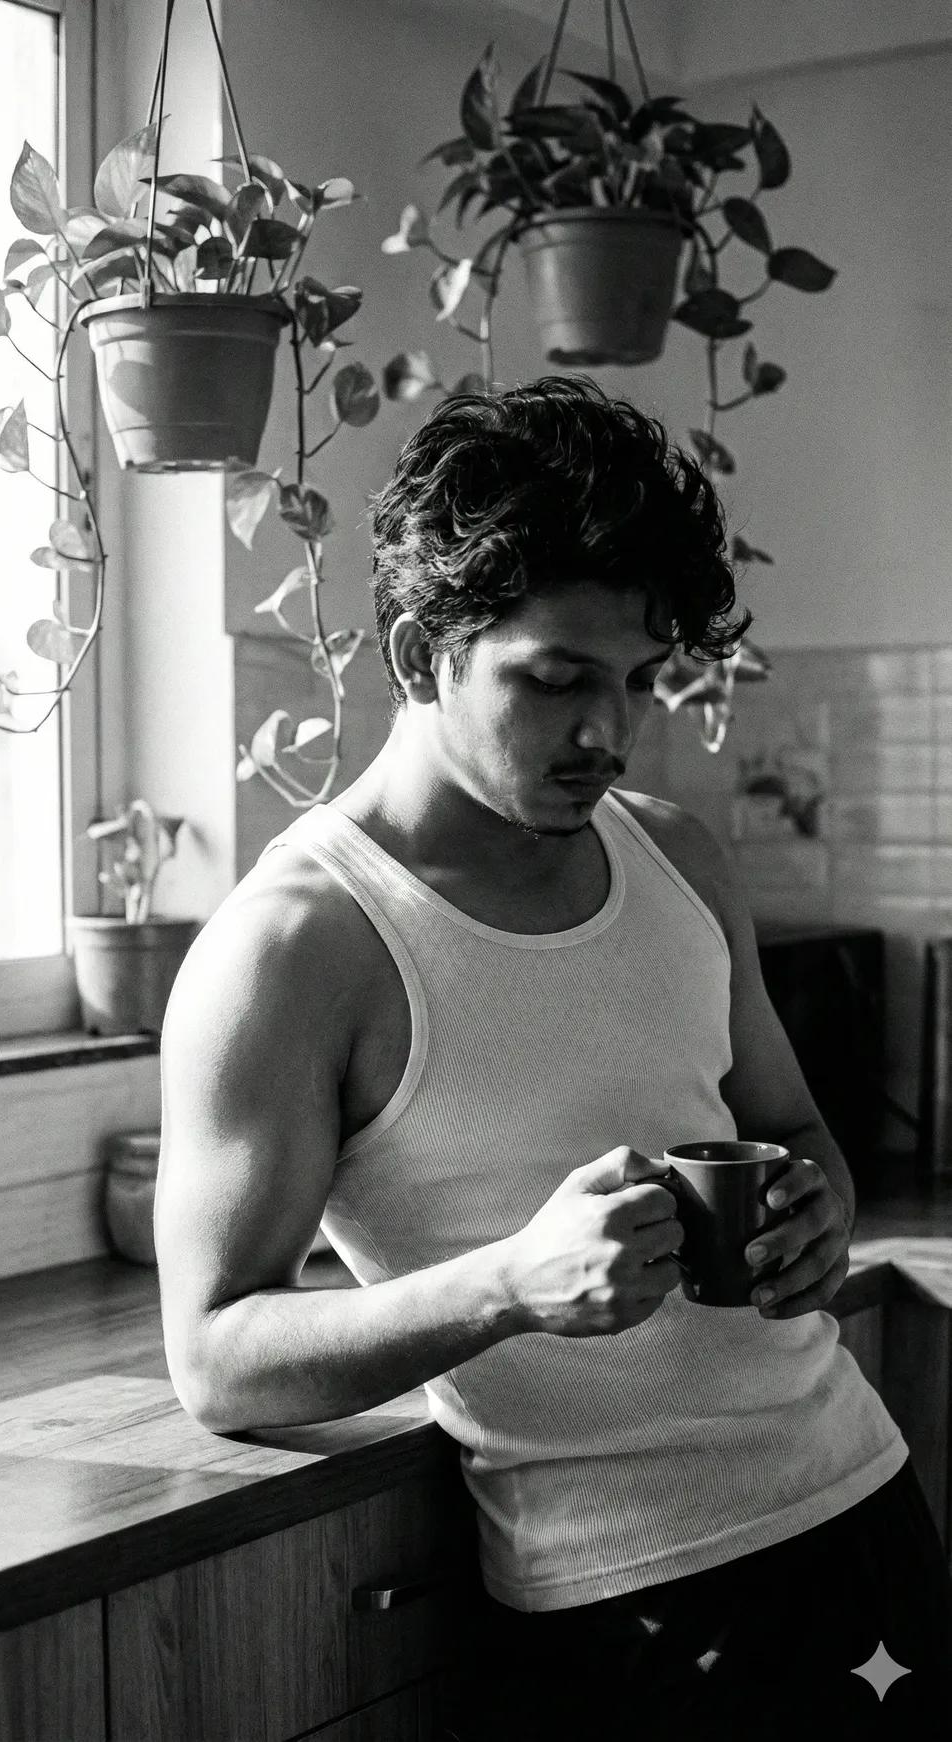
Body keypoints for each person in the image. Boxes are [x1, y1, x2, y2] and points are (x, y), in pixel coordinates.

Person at [156, 376, 952, 1739]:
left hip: (865, 1512)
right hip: (624, 1603)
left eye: (638, 681)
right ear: (420, 654)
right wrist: (511, 1284)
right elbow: (219, 1356)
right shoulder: (298, 944)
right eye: (558, 679)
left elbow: (799, 1133)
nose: (611, 732)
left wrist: (818, 1217)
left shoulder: (679, 857)